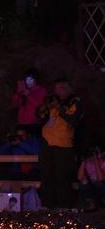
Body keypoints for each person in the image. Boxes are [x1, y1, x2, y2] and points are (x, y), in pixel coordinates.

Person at [37, 78, 82, 208]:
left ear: (69, 88)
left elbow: (74, 120)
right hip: (47, 144)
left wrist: (60, 108)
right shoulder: (52, 101)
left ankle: (64, 207)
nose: (58, 91)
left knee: (62, 178)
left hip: (64, 145)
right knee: (46, 176)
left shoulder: (75, 101)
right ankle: (47, 206)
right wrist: (44, 107)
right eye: (57, 88)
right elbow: (40, 119)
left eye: (62, 87)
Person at [10, 69, 47, 136]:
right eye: (26, 80)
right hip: (21, 123)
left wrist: (29, 96)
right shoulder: (23, 91)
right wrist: (17, 93)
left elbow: (40, 106)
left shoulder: (41, 90)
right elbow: (14, 105)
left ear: (36, 79)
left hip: (33, 124)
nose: (28, 82)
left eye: (30, 79)